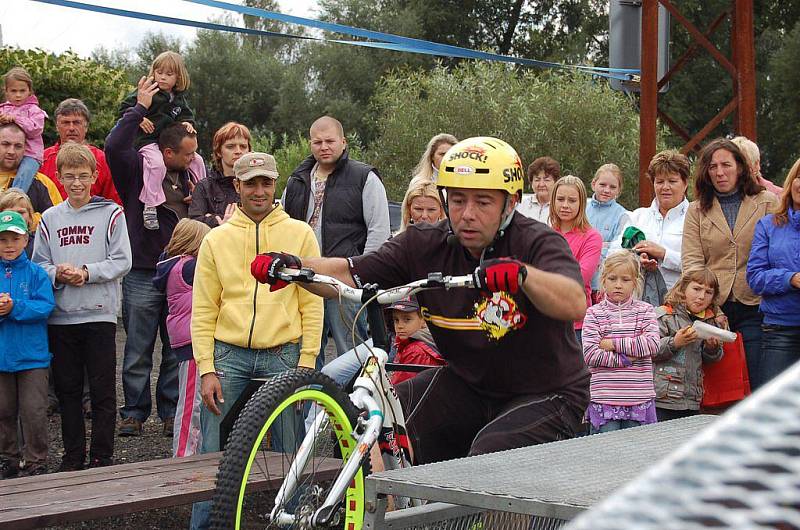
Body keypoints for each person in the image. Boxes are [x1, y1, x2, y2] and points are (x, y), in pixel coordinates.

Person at [256, 136, 590, 464]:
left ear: (511, 202)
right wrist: (296, 266)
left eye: (483, 202)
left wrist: (524, 276)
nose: (467, 214)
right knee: (378, 423)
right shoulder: (425, 244)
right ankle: (387, 512)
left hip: (548, 392)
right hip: (470, 383)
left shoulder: (537, 242)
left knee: (491, 457)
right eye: (457, 200)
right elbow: (348, 271)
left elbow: (574, 302)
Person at [190, 152, 322, 529]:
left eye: (266, 182)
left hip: (283, 353)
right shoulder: (216, 239)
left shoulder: (300, 234)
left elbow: (311, 302)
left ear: (276, 184)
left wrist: (307, 361)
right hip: (229, 354)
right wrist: (206, 367)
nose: (259, 190)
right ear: (237, 186)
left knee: (289, 450)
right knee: (210, 448)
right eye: (251, 183)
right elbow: (204, 307)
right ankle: (204, 523)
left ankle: (292, 522)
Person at [106, 76, 201, 437]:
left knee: (177, 346)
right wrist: (139, 109)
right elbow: (115, 146)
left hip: (180, 273)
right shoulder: (136, 173)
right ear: (166, 152)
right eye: (186, 154)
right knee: (138, 347)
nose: (192, 159)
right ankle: (133, 411)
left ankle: (170, 411)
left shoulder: (192, 179)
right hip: (144, 272)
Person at [33, 143, 132, 471]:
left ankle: (102, 456)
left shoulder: (111, 214)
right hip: (62, 318)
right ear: (59, 177)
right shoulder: (49, 218)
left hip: (100, 314)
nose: (76, 183)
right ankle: (73, 456)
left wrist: (87, 273)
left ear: (95, 176)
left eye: (83, 176)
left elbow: (122, 261)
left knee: (103, 391)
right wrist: (57, 273)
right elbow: (39, 265)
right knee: (68, 391)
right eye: (70, 176)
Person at [282, 116, 390, 364]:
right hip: (305, 279)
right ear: (310, 144)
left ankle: (353, 403)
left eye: (330, 141)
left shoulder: (365, 177)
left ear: (343, 142)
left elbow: (379, 231)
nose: (324, 146)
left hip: (346, 280)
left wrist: (365, 275)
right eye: (317, 142)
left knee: (352, 354)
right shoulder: (297, 180)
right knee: (306, 355)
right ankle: (309, 403)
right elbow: (283, 226)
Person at [682, 138, 778, 390]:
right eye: (713, 167)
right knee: (718, 387)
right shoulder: (696, 210)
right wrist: (707, 303)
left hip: (756, 303)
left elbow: (779, 252)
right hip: (712, 306)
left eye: (726, 164)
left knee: (759, 380)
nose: (719, 172)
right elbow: (692, 262)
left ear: (741, 167)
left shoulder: (767, 202)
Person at [117, 51, 205, 231]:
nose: (163, 77)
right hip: (147, 140)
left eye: (169, 74)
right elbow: (124, 108)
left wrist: (188, 124)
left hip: (168, 142)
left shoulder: (178, 98)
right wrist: (140, 117)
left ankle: (201, 194)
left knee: (198, 160)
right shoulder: (149, 90)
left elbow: (187, 116)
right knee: (157, 165)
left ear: (178, 77)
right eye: (159, 72)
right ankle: (150, 204)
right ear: (153, 72)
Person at [0, 210, 55, 478]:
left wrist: (14, 307)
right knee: (3, 410)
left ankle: (36, 460)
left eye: (14, 239)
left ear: (26, 241)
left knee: (33, 411)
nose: (8, 245)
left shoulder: (36, 273)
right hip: (1, 357)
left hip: (32, 357)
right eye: (3, 240)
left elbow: (45, 307)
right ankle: (8, 458)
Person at [582, 252, 659, 433]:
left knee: (638, 455)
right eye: (612, 278)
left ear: (635, 282)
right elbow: (591, 354)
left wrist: (612, 344)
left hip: (639, 398)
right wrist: (626, 359)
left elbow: (652, 344)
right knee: (607, 455)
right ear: (603, 280)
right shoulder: (594, 314)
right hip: (604, 398)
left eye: (625, 280)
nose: (618, 285)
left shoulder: (645, 311)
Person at [152, 219, 210, 456]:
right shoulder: (188, 266)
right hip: (192, 342)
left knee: (194, 402)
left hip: (187, 341)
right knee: (191, 405)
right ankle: (183, 455)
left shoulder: (171, 264)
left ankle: (190, 451)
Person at [746, 157, 800, 387]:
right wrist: (791, 279)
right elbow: (755, 278)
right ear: (791, 181)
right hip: (779, 329)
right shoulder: (768, 225)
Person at [609, 150, 691, 291]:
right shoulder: (637, 217)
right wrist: (635, 261)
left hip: (681, 302)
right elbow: (613, 255)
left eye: (672, 181)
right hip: (638, 303)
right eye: (659, 181)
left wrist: (664, 255)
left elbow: (702, 265)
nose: (665, 187)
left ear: (685, 183)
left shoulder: (697, 219)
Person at [654, 269, 724, 421]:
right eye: (696, 289)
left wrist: (712, 349)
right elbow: (650, 350)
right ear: (683, 288)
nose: (701, 296)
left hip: (692, 398)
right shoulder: (665, 315)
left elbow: (711, 360)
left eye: (708, 292)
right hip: (663, 398)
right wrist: (675, 342)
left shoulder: (710, 321)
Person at [548, 175, 602, 342]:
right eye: (560, 199)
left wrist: (543, 278)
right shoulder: (545, 233)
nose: (565, 205)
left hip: (576, 324)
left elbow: (580, 277)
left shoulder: (592, 237)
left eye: (572, 200)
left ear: (581, 204)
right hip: (546, 318)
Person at [40, 98, 121, 204]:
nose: (71, 128)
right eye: (65, 123)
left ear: (86, 126)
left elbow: (113, 201)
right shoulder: (41, 160)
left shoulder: (102, 160)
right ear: (57, 126)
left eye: (77, 122)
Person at [188, 122, 250, 227]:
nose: (238, 151)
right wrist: (220, 222)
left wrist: (211, 217)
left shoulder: (258, 185)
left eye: (243, 146)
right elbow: (195, 223)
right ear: (218, 152)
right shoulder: (204, 187)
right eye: (231, 147)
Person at [586, 163, 630, 302]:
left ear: (619, 190)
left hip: (605, 285)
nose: (606, 190)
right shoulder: (582, 209)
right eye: (602, 185)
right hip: (581, 281)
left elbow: (619, 250)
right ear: (594, 184)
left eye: (612, 187)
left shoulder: (622, 215)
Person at [0, 123, 63, 216]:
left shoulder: (42, 183)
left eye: (18, 146)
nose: (11, 151)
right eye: (5, 144)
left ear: (26, 148)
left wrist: (28, 220)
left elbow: (60, 218)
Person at [0, 67, 46, 194]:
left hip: (30, 155)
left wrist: (15, 119)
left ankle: (13, 200)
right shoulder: (3, 109)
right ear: (6, 92)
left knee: (24, 175)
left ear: (29, 91)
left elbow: (35, 129)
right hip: (4, 155)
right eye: (13, 91)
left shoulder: (34, 110)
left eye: (22, 91)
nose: (18, 95)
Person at [387, 296, 445, 385]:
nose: (400, 326)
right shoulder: (408, 342)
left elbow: (399, 390)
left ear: (424, 320)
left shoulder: (416, 352)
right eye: (396, 320)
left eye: (407, 319)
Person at [516, 156, 560, 224]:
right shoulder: (520, 205)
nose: (541, 184)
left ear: (555, 182)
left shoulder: (561, 207)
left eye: (546, 180)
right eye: (537, 180)